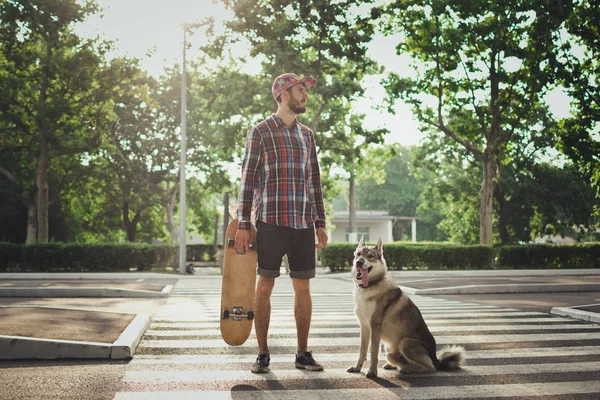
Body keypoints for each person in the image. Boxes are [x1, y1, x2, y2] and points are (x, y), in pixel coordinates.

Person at [234, 72, 329, 374]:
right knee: (264, 288)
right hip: (271, 222)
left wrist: (320, 222)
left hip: (302, 225)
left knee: (303, 290)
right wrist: (244, 223)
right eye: (302, 90)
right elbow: (247, 180)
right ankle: (263, 353)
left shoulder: (307, 135)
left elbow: (314, 181)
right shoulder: (260, 132)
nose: (306, 95)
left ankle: (302, 353)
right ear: (284, 93)